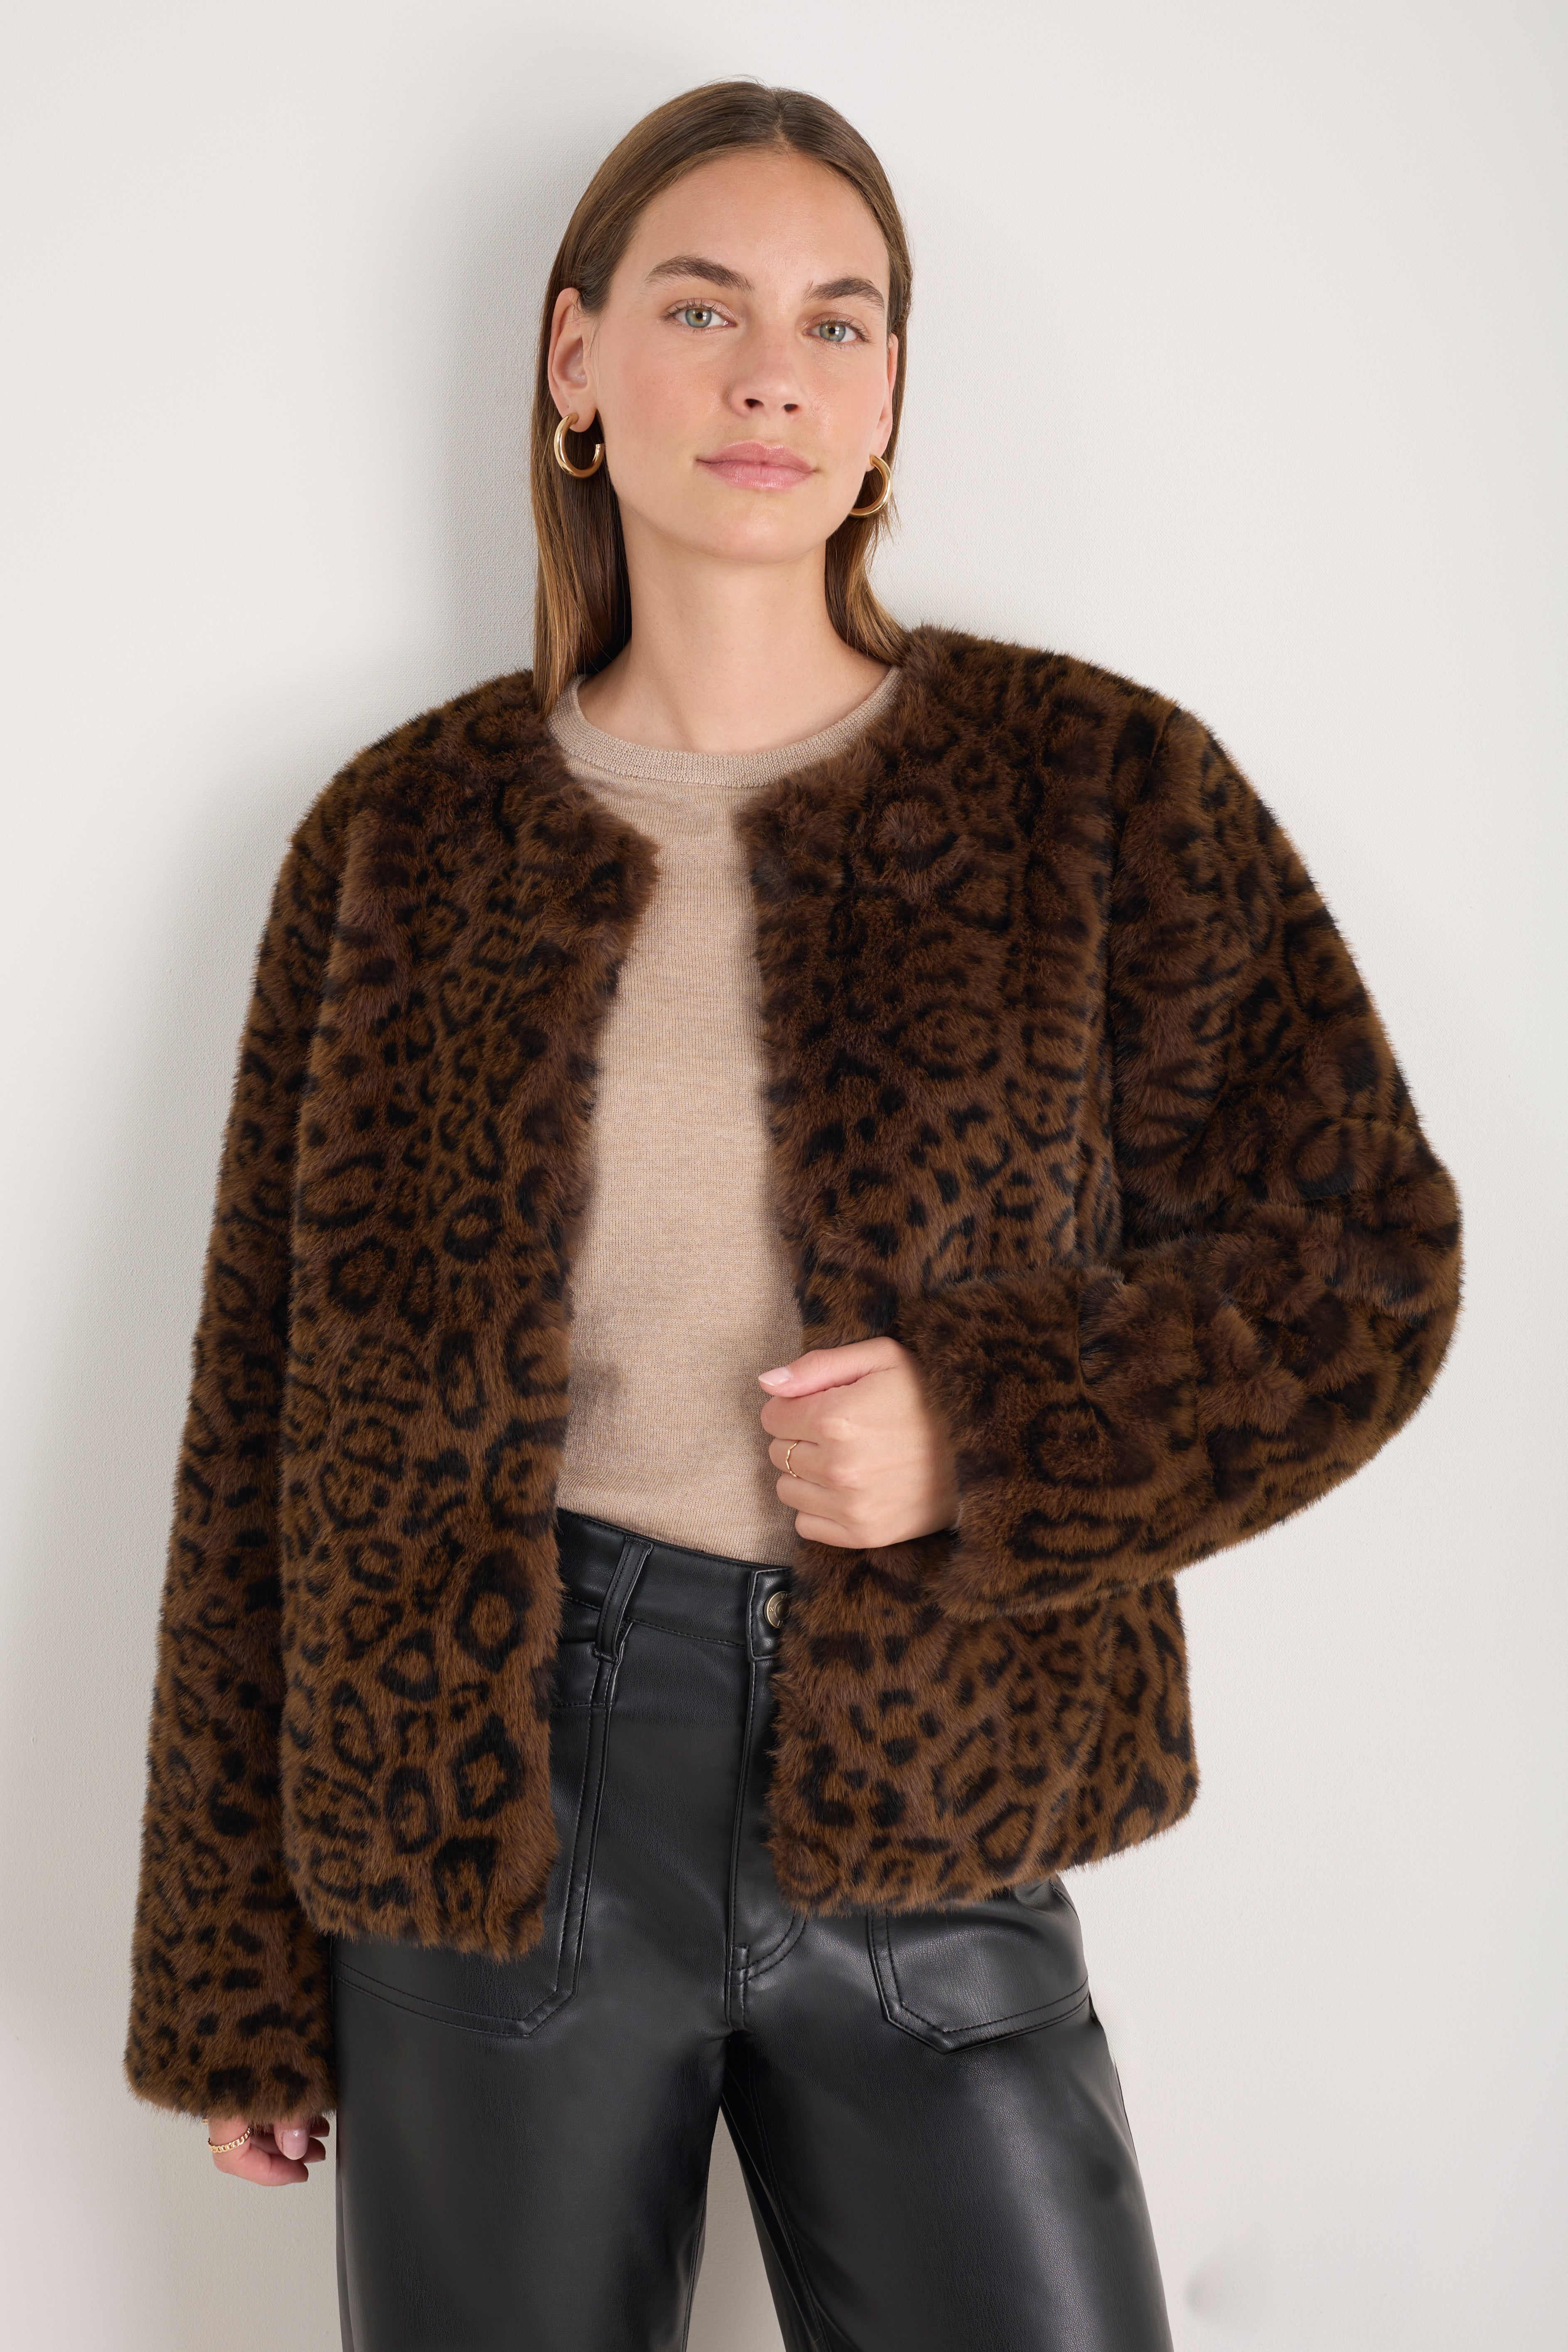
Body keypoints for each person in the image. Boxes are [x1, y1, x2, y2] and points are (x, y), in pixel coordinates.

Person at [124, 78, 1463, 2352]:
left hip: (940, 1821)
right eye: (703, 307)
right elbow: (265, 1417)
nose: (773, 374)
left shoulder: (1097, 791)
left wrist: (992, 1429)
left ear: (890, 397)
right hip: (492, 1825)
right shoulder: (402, 842)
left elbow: (1365, 1262)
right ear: (576, 363)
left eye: (839, 322)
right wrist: (233, 1966)